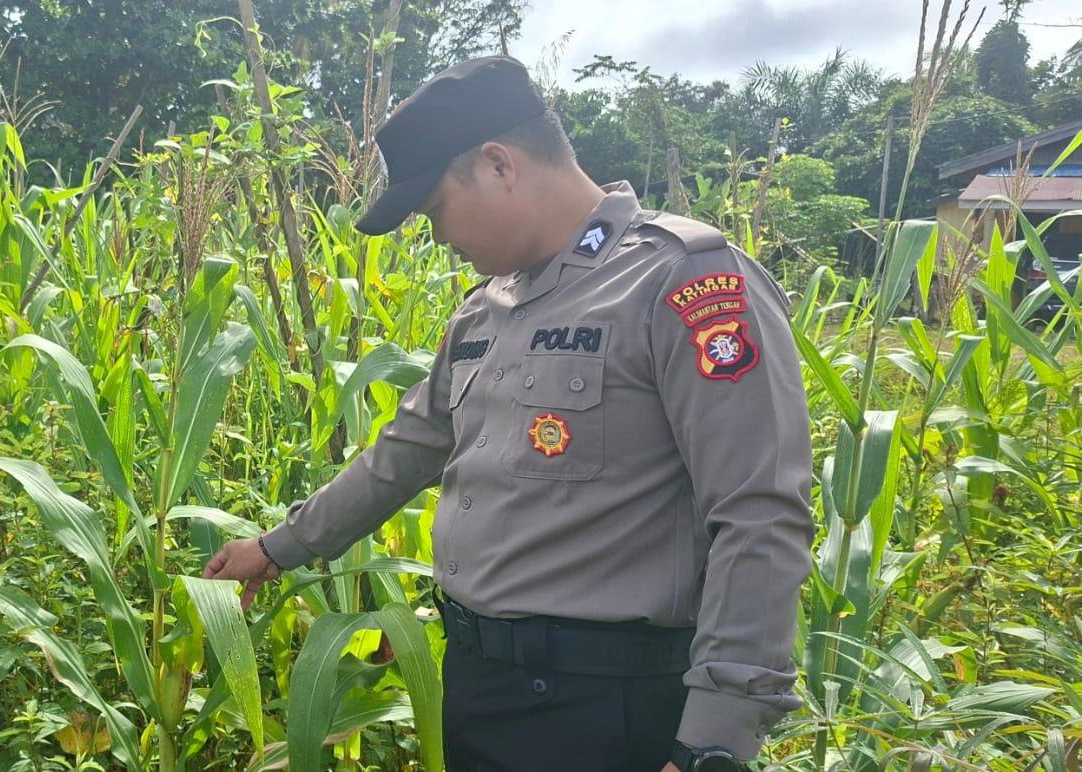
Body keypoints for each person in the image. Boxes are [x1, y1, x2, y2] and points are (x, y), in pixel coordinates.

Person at [203, 55, 814, 772]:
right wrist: (278, 547)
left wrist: (716, 740)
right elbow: (403, 452)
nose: (435, 237)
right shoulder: (485, 312)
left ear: (498, 164)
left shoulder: (680, 281)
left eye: (434, 209)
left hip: (605, 707)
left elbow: (759, 514)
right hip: (481, 685)